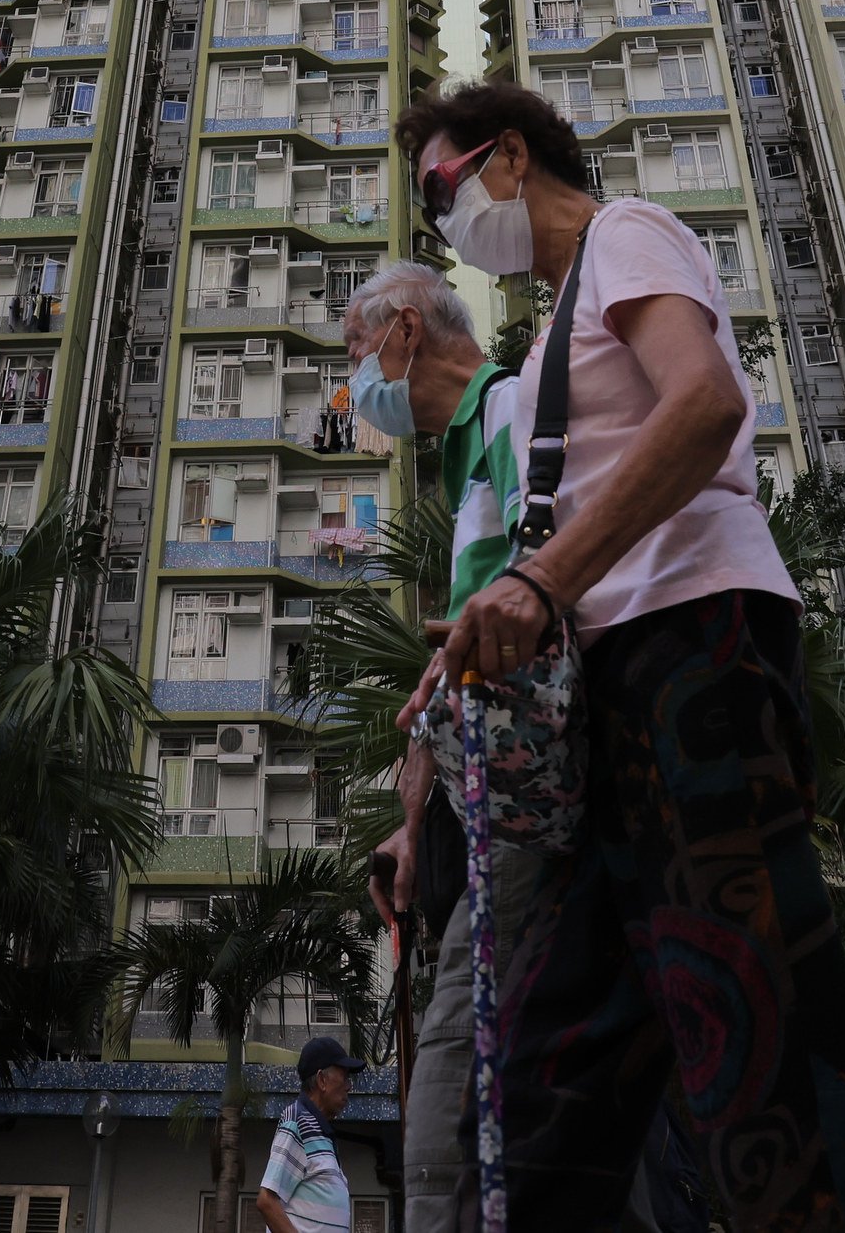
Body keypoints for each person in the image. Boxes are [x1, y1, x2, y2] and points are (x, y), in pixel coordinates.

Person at [395, 78, 845, 1233]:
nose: (442, 220)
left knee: (756, 1017)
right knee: (553, 1059)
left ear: (510, 155)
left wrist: (540, 580)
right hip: (601, 700)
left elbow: (704, 405)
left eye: (442, 186)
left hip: (697, 646)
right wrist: (475, 650)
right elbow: (549, 529)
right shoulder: (540, 347)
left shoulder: (629, 234)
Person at [342, 262, 551, 1233]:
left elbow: (552, 596)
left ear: (405, 331)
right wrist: (408, 826)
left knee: (445, 1120)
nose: (358, 391)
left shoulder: (514, 411)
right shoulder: (468, 454)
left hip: (537, 821)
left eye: (357, 359)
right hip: (498, 821)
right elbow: (460, 667)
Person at [257, 1035, 361, 1233]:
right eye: (345, 1078)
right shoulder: (297, 1121)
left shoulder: (319, 1131)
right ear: (322, 1080)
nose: (348, 1086)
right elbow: (267, 1201)